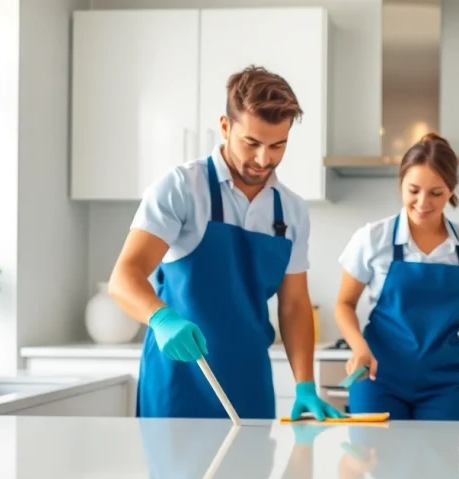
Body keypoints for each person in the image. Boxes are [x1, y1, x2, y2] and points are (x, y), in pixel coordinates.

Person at [108, 65, 340, 420]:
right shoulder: (182, 188)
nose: (265, 159)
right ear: (225, 126)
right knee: (176, 478)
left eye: (278, 145)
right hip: (177, 380)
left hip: (249, 381)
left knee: (247, 476)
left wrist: (304, 383)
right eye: (252, 143)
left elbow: (294, 306)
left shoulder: (290, 210)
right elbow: (125, 276)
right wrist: (161, 319)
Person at [334, 133, 459, 421]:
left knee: (443, 466)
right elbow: (343, 304)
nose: (423, 202)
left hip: (444, 384)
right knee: (378, 462)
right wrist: (359, 348)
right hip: (378, 378)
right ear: (401, 184)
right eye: (413, 190)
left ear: (451, 190)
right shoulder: (373, 238)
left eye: (436, 193)